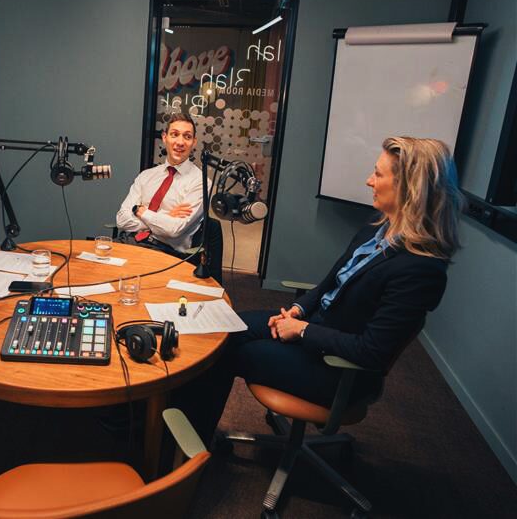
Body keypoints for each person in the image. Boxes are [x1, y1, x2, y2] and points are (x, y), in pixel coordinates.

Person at [176, 136, 465, 444]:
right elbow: (330, 282)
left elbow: (372, 352)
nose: (369, 181)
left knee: (230, 354)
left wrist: (301, 331)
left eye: (379, 174)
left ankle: (192, 443)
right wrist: (299, 310)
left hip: (337, 370)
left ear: (410, 188)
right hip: (315, 327)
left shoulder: (421, 270)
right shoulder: (379, 226)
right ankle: (185, 429)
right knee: (224, 331)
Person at [116, 112, 223, 282]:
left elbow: (174, 230)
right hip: (130, 242)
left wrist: (142, 212)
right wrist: (165, 216)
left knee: (130, 284)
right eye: (174, 134)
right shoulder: (146, 176)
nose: (180, 142)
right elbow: (121, 219)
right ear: (165, 138)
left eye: (187, 136)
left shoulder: (201, 182)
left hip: (168, 254)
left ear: (194, 142)